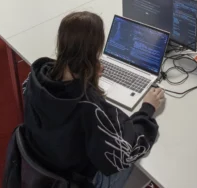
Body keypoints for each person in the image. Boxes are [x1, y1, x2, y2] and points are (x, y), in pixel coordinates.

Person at [22, 11, 163, 187]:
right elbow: (123, 153)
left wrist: (87, 75)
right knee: (146, 163)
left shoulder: (35, 77)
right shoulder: (88, 106)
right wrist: (147, 109)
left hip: (48, 167)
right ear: (93, 53)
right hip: (80, 180)